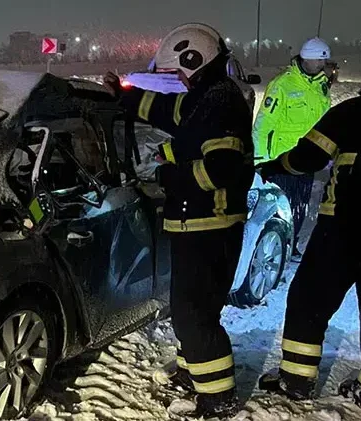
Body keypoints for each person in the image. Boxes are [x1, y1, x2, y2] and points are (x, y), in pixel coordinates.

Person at [103, 22, 254, 418]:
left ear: (195, 59)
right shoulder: (210, 96)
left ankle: (217, 398)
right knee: (197, 308)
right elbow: (168, 112)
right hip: (206, 224)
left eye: (180, 72)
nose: (179, 81)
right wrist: (124, 98)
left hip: (208, 224)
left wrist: (169, 175)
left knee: (192, 313)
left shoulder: (219, 102)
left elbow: (221, 168)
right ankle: (196, 374)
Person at [256, 94, 361, 402]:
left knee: (309, 299)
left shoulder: (353, 111)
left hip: (344, 224)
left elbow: (309, 156)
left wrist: (275, 166)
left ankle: (296, 379)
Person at [253, 38, 332, 261]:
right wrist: (260, 159)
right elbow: (263, 124)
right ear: (307, 58)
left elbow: (324, 122)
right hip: (282, 160)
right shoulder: (282, 85)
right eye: (319, 60)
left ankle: (292, 247)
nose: (322, 64)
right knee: (281, 208)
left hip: (308, 159)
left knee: (302, 206)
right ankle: (273, 250)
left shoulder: (321, 86)